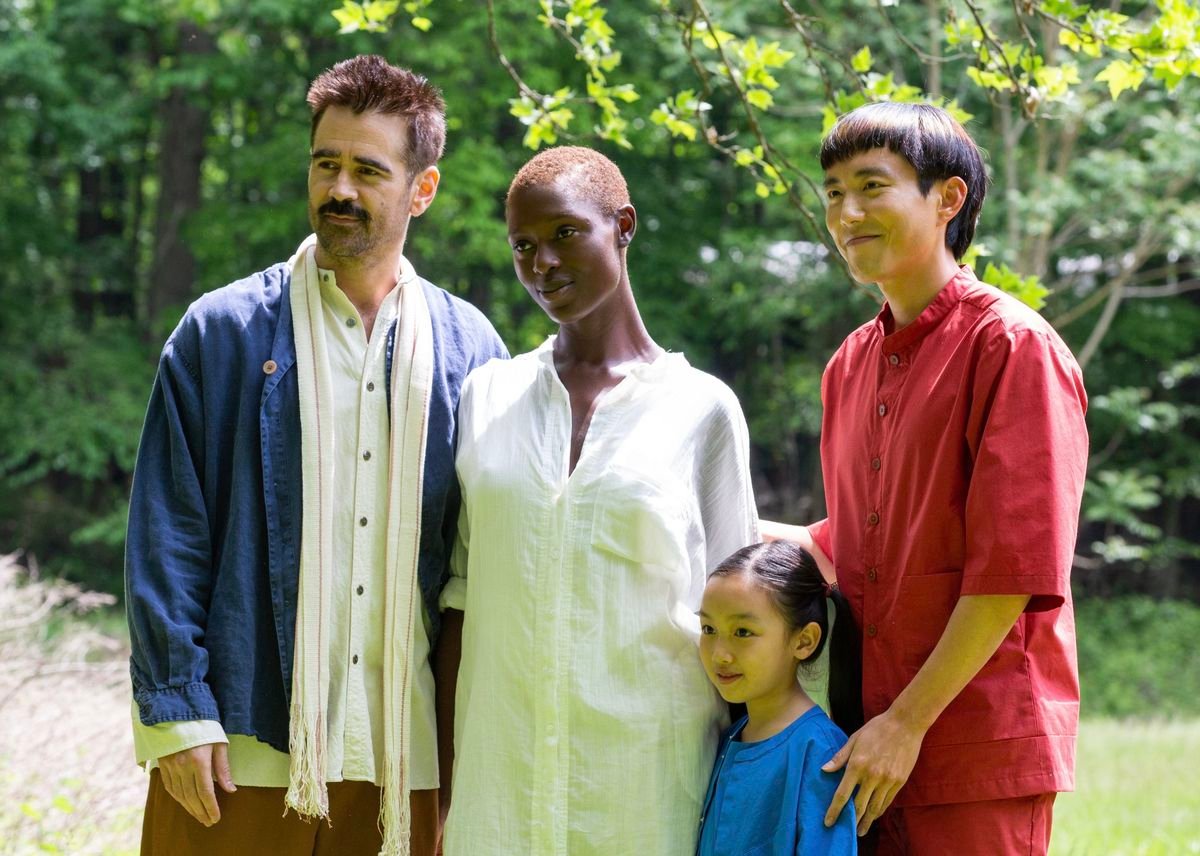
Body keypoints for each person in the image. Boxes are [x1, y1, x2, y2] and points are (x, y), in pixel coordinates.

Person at [124, 55, 506, 856]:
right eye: (325, 164)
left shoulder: (472, 350)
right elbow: (167, 535)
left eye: (369, 170)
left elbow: (488, 560)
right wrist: (177, 713)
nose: (340, 189)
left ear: (421, 190)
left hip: (406, 765)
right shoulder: (220, 332)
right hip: (239, 752)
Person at [765, 102, 1088, 855]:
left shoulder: (1012, 347)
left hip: (972, 750)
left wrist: (906, 724)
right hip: (860, 748)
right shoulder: (849, 365)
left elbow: (1012, 570)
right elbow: (853, 545)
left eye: (872, 186)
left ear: (948, 200)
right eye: (833, 191)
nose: (847, 212)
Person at [435, 146, 759, 855]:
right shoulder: (485, 398)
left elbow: (744, 617)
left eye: (563, 234)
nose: (542, 263)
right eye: (523, 245)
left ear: (624, 226)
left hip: (647, 791)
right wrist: (445, 787)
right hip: (501, 796)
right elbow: (460, 604)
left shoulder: (701, 409)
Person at [695, 541, 860, 855]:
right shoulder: (731, 733)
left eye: (742, 632)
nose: (720, 654)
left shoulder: (820, 751)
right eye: (708, 628)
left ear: (804, 641)